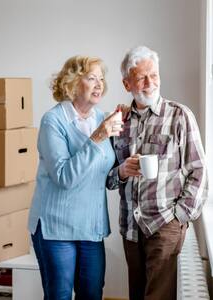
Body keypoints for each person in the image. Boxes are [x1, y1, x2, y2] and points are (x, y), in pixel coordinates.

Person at [106, 46, 209, 300]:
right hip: (130, 227)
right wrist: (121, 171)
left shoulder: (180, 116)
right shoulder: (119, 121)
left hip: (165, 225)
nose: (150, 83)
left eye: (154, 75)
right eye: (141, 77)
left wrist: (179, 217)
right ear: (127, 83)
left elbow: (199, 171)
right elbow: (107, 178)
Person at [28, 55, 124, 300]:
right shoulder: (53, 121)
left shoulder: (103, 118)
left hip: (91, 226)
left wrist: (124, 170)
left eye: (101, 79)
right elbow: (64, 177)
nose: (99, 84)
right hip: (56, 227)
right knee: (59, 296)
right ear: (71, 83)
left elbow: (101, 170)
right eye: (91, 78)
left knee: (92, 294)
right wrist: (97, 138)